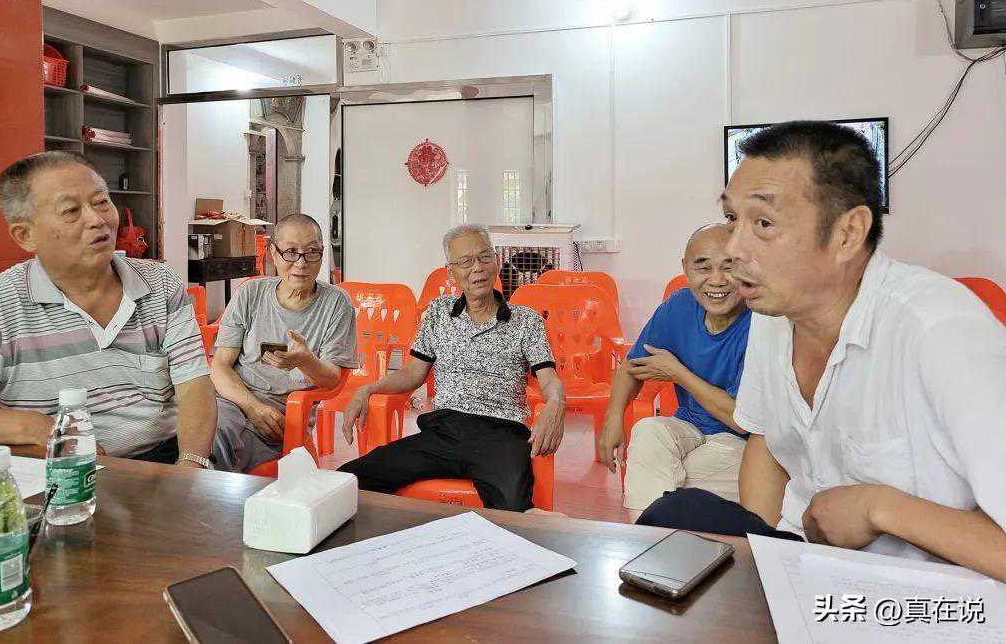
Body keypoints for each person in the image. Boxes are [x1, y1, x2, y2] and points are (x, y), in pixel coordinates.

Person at [638, 121, 1006, 580]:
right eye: (732, 219)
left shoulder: (941, 332)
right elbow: (767, 441)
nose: (733, 249)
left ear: (847, 234)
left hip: (916, 591)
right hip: (809, 564)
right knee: (673, 516)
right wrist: (761, 563)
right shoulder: (773, 315)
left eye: (763, 223)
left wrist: (878, 508)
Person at [0, 151, 217, 468]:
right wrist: (30, 426)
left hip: (162, 462)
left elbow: (194, 385)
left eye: (101, 202)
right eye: (71, 211)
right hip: (59, 470)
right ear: (25, 235)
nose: (98, 220)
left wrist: (190, 466)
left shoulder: (160, 283)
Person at [337, 224, 566, 512]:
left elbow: (549, 379)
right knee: (347, 482)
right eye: (465, 262)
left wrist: (556, 402)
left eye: (484, 257)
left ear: (496, 261)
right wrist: (368, 389)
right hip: (443, 432)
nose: (478, 268)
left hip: (502, 434)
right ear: (451, 272)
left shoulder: (526, 320)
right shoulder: (438, 312)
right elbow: (414, 372)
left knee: (513, 510)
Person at [596, 224, 751, 522]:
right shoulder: (679, 306)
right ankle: (654, 536)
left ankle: (648, 537)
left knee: (665, 478)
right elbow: (632, 367)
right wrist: (613, 419)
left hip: (741, 444)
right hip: (689, 428)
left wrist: (677, 372)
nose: (716, 280)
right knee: (647, 430)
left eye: (729, 267)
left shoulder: (760, 320)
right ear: (686, 269)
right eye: (703, 267)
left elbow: (741, 421)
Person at [210, 214, 357, 473]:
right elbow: (220, 365)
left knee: (216, 447)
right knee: (203, 431)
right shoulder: (250, 293)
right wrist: (253, 408)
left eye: (311, 252)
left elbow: (333, 379)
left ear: (322, 254)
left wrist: (306, 361)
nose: (301, 263)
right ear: (273, 254)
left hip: (280, 418)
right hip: (232, 401)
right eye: (290, 252)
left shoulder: (336, 303)